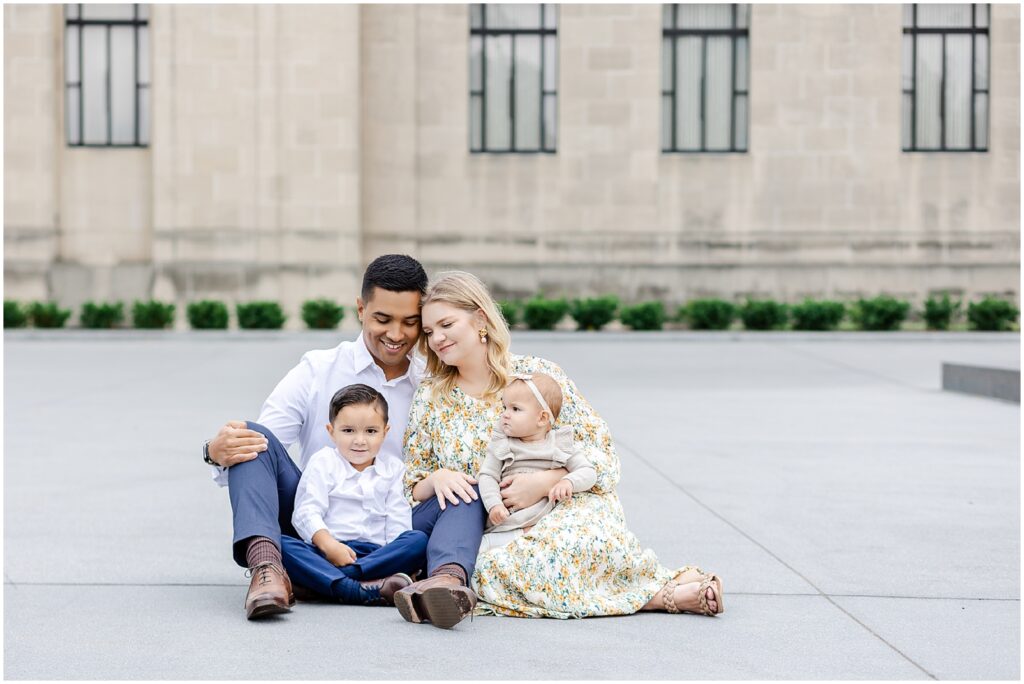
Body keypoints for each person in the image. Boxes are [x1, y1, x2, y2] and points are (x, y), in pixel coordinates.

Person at [397, 271, 723, 628]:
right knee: (504, 564)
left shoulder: (538, 376)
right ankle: (664, 597)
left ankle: (656, 590)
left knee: (577, 539)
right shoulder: (432, 396)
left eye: (446, 324)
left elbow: (601, 454)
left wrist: (545, 481)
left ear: (480, 319)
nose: (438, 338)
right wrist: (438, 477)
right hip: (487, 524)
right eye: (429, 332)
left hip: (563, 504)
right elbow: (412, 485)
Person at [203, 254, 428, 620]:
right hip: (314, 520)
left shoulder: (431, 382)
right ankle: (267, 570)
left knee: (427, 525)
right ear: (360, 309)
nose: (396, 334)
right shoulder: (318, 369)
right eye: (382, 319)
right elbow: (264, 450)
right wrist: (215, 453)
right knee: (253, 436)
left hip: (392, 524)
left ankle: (322, 581)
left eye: (410, 322)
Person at [277, 384, 427, 609]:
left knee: (416, 540)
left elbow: (398, 518)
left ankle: (330, 581)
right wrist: (328, 545)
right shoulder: (324, 462)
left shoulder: (393, 469)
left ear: (385, 432)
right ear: (331, 431)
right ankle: (356, 589)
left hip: (376, 553)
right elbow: (306, 511)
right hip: (327, 550)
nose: (359, 440)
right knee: (281, 544)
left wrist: (397, 557)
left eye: (370, 431)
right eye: (348, 431)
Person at [477, 372, 596, 553]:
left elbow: (588, 472)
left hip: (544, 518)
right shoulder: (503, 443)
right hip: (510, 517)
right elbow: (487, 475)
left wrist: (567, 481)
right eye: (504, 407)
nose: (505, 415)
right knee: (480, 547)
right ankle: (506, 539)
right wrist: (494, 504)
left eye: (515, 409)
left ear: (542, 418)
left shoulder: (559, 444)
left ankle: (521, 537)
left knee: (560, 535)